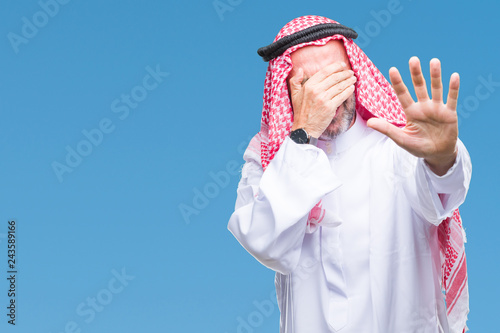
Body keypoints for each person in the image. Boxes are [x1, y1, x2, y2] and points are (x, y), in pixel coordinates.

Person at [228, 15, 471, 333]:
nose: (326, 97)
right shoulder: (268, 156)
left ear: (355, 72)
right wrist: (301, 136)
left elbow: (442, 193)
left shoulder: (397, 143)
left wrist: (442, 157)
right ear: (286, 91)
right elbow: (263, 241)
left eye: (335, 78)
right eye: (307, 85)